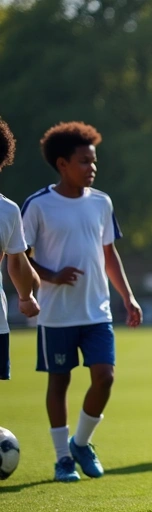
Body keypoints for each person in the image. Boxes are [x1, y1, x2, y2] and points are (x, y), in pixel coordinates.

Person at [22, 122, 142, 482]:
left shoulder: (102, 202)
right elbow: (19, 254)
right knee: (59, 384)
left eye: (94, 161)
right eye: (84, 161)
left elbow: (109, 254)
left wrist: (128, 296)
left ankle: (81, 443)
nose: (92, 167)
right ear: (62, 164)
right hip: (56, 314)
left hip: (97, 312)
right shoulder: (38, 205)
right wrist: (49, 275)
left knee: (104, 378)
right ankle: (62, 459)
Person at [0, 116, 41, 380]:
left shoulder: (8, 210)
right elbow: (16, 262)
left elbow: (16, 262)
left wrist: (26, 295)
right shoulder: (7, 210)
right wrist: (26, 297)